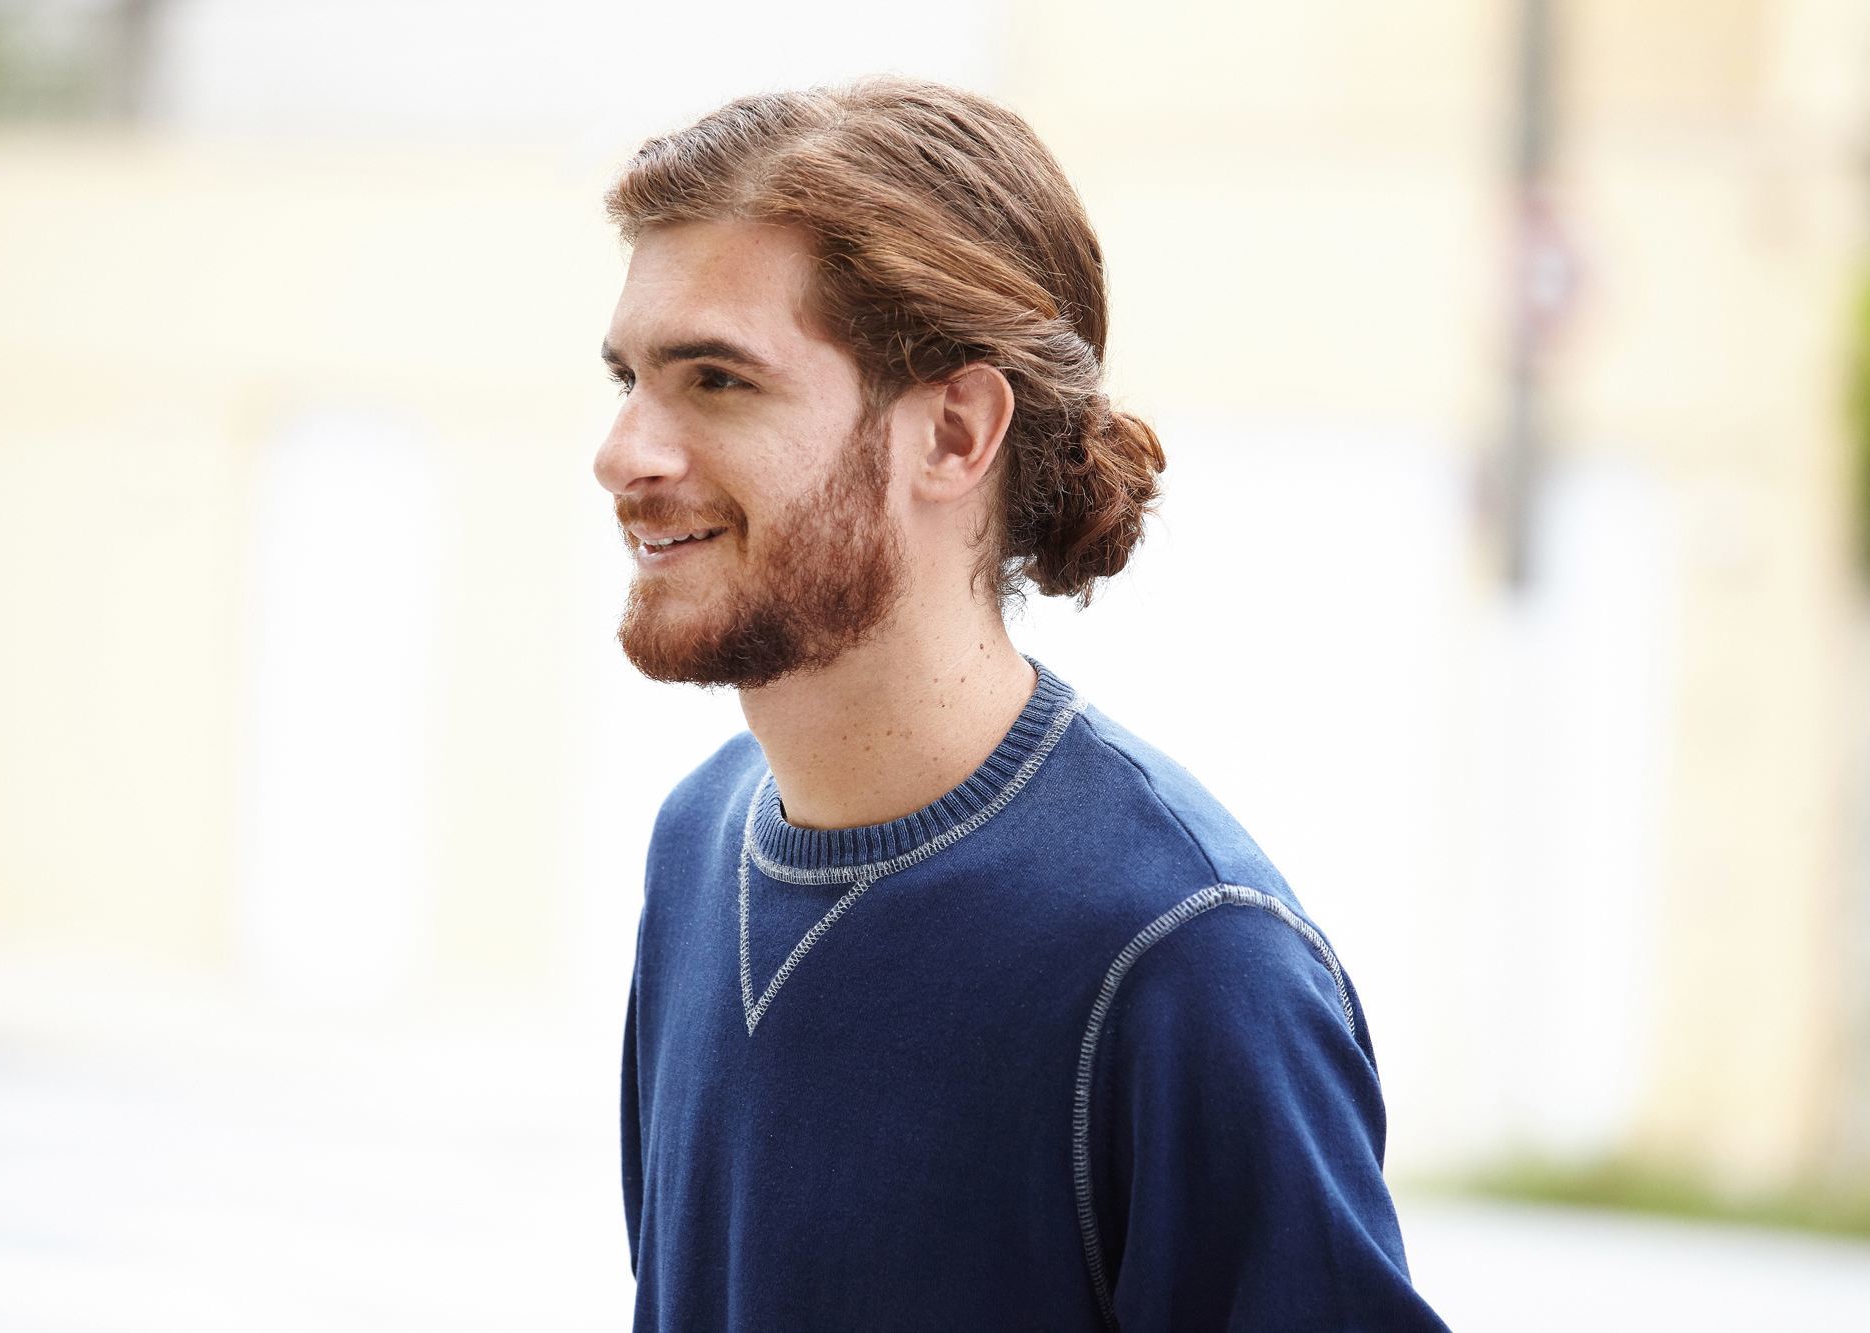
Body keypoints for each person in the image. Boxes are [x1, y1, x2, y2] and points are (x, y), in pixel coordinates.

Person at [595, 77, 1452, 1332]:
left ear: (953, 431)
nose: (623, 451)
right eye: (627, 374)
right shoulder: (697, 842)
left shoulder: (1185, 960)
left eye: (716, 379)